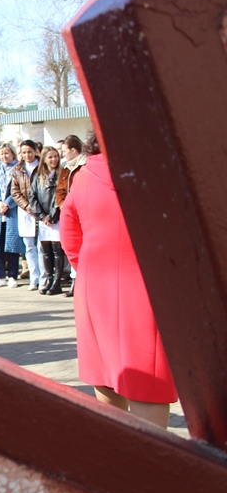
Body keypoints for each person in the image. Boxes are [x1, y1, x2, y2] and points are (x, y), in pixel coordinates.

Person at [62, 134, 176, 428]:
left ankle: (121, 457)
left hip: (94, 283)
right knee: (147, 379)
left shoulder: (83, 175)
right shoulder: (159, 174)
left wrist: (87, 268)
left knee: (107, 373)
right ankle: (149, 464)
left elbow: (69, 233)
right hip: (146, 284)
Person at [0, 144, 25, 288]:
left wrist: (7, 203)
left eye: (7, 153)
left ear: (13, 154)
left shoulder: (18, 170)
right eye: (2, 154)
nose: (4, 156)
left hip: (11, 211)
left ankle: (13, 275)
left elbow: (19, 190)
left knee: (12, 245)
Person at [31, 146, 65, 295]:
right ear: (44, 159)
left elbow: (59, 197)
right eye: (50, 157)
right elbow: (32, 196)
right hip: (43, 219)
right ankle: (49, 279)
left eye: (55, 156)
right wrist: (42, 215)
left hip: (56, 218)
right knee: (46, 251)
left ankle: (57, 282)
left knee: (57, 250)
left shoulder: (61, 174)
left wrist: (52, 215)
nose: (53, 160)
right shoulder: (38, 175)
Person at [56, 134, 87, 297]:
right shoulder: (65, 168)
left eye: (64, 151)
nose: (63, 155)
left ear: (74, 150)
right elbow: (60, 190)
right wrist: (64, 207)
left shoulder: (85, 166)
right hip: (69, 213)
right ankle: (76, 282)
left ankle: (80, 281)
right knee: (71, 247)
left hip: (82, 213)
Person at [10, 140, 41, 290]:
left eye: (30, 151)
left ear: (35, 151)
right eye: (24, 152)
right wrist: (26, 205)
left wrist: (37, 207)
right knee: (29, 246)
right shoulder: (17, 170)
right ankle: (34, 278)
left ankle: (45, 277)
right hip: (26, 211)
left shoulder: (42, 167)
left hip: (41, 210)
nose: (27, 155)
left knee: (41, 245)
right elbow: (14, 192)